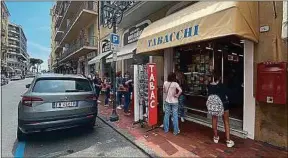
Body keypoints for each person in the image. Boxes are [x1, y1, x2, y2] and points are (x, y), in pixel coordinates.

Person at [207, 72, 234, 148]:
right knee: (226, 121)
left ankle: (215, 137)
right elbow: (229, 93)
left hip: (214, 107)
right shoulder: (222, 85)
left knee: (214, 119)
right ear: (219, 78)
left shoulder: (209, 86)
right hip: (224, 105)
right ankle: (228, 141)